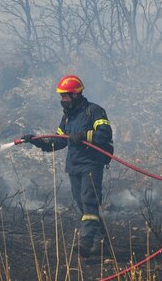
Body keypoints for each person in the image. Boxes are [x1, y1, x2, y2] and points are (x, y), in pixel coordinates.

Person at [20, 75, 113, 258]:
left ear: (76, 95)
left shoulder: (93, 111)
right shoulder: (68, 118)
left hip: (91, 165)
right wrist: (37, 142)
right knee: (84, 206)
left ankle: (86, 243)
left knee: (89, 202)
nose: (62, 100)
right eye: (61, 97)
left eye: (65, 96)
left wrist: (83, 136)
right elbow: (58, 141)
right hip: (74, 167)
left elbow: (105, 134)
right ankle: (102, 243)